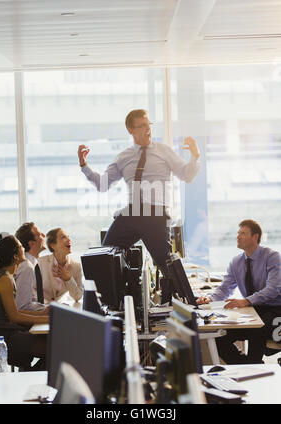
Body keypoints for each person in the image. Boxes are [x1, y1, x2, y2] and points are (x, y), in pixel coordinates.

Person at [78, 109, 200, 282]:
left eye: (148, 124)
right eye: (142, 125)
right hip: (132, 213)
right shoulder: (124, 157)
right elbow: (103, 184)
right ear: (131, 130)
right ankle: (118, 294)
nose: (148, 129)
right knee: (106, 254)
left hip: (155, 214)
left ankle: (186, 301)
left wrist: (195, 156)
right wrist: (84, 166)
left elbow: (187, 175)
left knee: (166, 262)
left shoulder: (164, 151)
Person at [197, 219, 281, 364]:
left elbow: (273, 289)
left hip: (275, 310)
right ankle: (248, 365)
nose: (238, 236)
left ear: (255, 237)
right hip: (254, 310)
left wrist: (246, 301)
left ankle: (254, 364)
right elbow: (225, 288)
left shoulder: (272, 257)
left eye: (243, 233)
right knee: (218, 335)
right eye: (238, 233)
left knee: (257, 330)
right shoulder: (236, 262)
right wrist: (210, 299)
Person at [0, 236, 48, 369]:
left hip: (5, 333)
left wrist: (42, 314)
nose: (24, 248)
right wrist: (47, 319)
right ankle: (31, 377)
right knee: (53, 347)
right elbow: (14, 317)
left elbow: (14, 311)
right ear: (15, 256)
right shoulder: (5, 279)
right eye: (20, 247)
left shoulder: (3, 274)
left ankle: (31, 374)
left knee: (51, 343)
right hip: (2, 338)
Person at [38, 228, 83, 303]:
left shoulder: (76, 266)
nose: (69, 240)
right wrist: (46, 302)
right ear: (53, 245)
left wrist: (69, 279)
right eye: (63, 237)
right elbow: (32, 290)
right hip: (41, 307)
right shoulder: (41, 262)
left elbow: (78, 296)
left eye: (68, 237)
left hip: (60, 308)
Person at [14, 222, 48, 311]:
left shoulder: (32, 264)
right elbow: (22, 306)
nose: (44, 235)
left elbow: (30, 298)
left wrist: (47, 306)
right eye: (40, 235)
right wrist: (48, 309)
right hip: (25, 322)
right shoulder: (26, 267)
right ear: (32, 244)